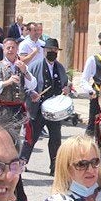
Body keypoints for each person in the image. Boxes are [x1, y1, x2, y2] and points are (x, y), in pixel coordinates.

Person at [28, 37, 72, 175]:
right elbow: (27, 85)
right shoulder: (35, 66)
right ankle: (23, 162)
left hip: (54, 110)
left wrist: (66, 89)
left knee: (55, 139)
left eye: (54, 50)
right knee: (31, 138)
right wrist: (32, 94)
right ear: (44, 50)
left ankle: (55, 167)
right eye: (49, 49)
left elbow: (65, 84)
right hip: (38, 109)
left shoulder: (60, 67)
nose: (52, 52)